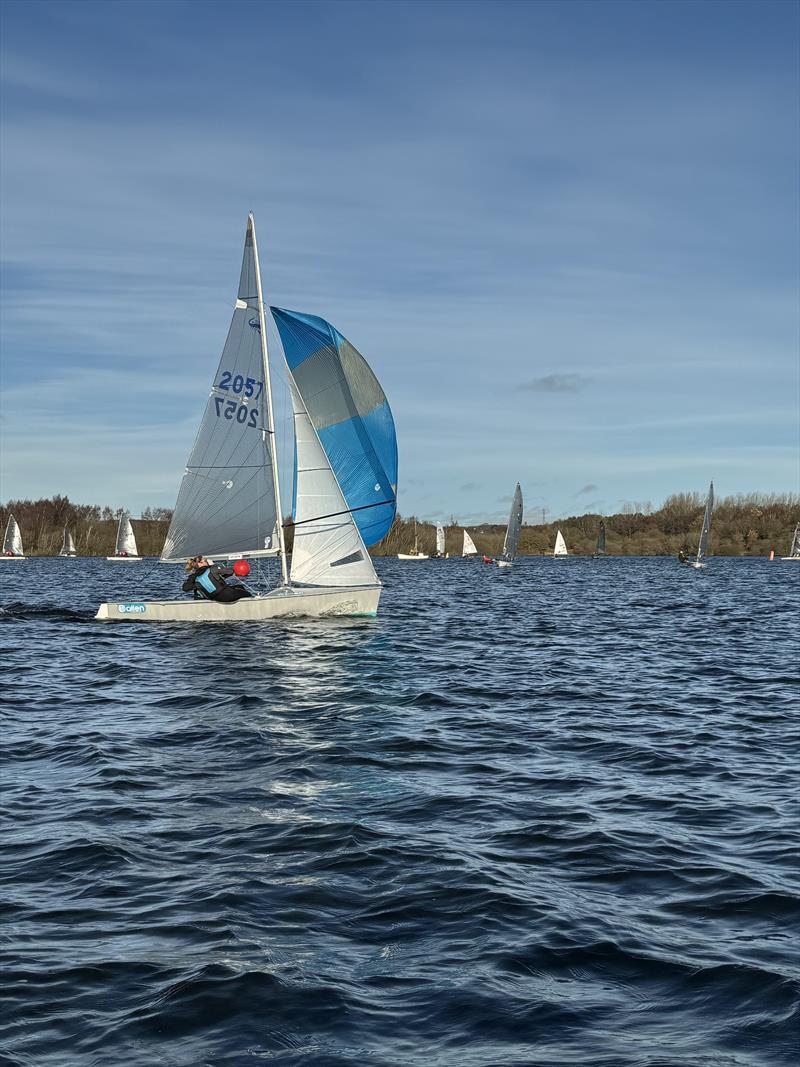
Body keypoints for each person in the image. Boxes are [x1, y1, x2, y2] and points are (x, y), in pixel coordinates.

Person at [182, 556, 252, 603]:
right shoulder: (212, 569)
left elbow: (185, 588)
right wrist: (216, 568)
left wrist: (194, 583)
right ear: (200, 564)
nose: (207, 562)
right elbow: (230, 571)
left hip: (215, 599)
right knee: (240, 587)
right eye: (205, 561)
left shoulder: (193, 577)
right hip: (227, 596)